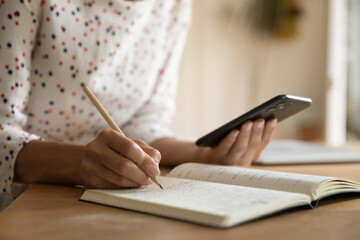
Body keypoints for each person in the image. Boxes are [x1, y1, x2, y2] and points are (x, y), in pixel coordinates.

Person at [0, 0, 277, 210]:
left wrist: (207, 156)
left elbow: (145, 124)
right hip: (24, 207)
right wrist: (81, 163)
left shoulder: (172, 5)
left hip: (111, 203)